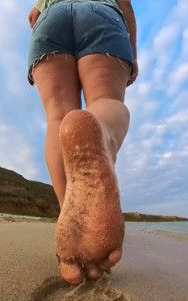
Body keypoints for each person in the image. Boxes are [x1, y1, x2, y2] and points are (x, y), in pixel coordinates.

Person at [27, 0, 138, 284]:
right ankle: (99, 128)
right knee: (105, 101)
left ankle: (73, 221)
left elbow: (32, 15)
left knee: (57, 118)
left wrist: (42, 21)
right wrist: (132, 52)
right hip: (100, 13)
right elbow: (125, 5)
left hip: (50, 20)